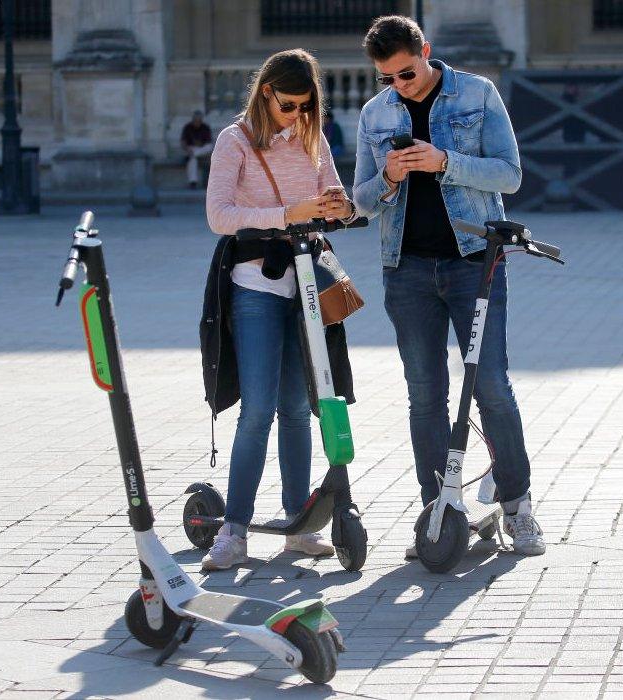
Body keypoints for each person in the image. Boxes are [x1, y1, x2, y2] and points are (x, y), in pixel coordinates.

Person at [352, 16, 545, 558]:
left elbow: (509, 175)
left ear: (426, 52)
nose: (399, 86)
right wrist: (388, 179)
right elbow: (361, 201)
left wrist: (445, 163)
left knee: (491, 388)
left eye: (406, 73)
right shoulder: (376, 113)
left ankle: (517, 506)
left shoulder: (477, 94)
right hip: (405, 268)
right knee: (425, 395)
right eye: (386, 78)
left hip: (473, 262)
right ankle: (439, 512)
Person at [203, 48, 356, 571]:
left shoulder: (311, 136)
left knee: (298, 408)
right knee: (258, 410)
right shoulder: (235, 141)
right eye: (289, 105)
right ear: (265, 92)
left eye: (305, 106)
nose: (297, 116)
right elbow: (219, 215)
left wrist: (340, 206)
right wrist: (286, 214)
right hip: (255, 286)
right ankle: (234, 528)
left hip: (307, 286)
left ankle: (296, 523)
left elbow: (337, 193)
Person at [181, 111, 214, 188]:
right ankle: (193, 182)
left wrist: (199, 145)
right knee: (192, 160)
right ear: (193, 119)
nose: (197, 122)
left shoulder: (205, 127)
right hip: (191, 149)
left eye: (198, 120)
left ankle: (193, 154)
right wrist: (187, 148)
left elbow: (208, 142)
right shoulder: (187, 127)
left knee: (209, 147)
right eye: (195, 120)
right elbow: (183, 142)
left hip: (202, 150)